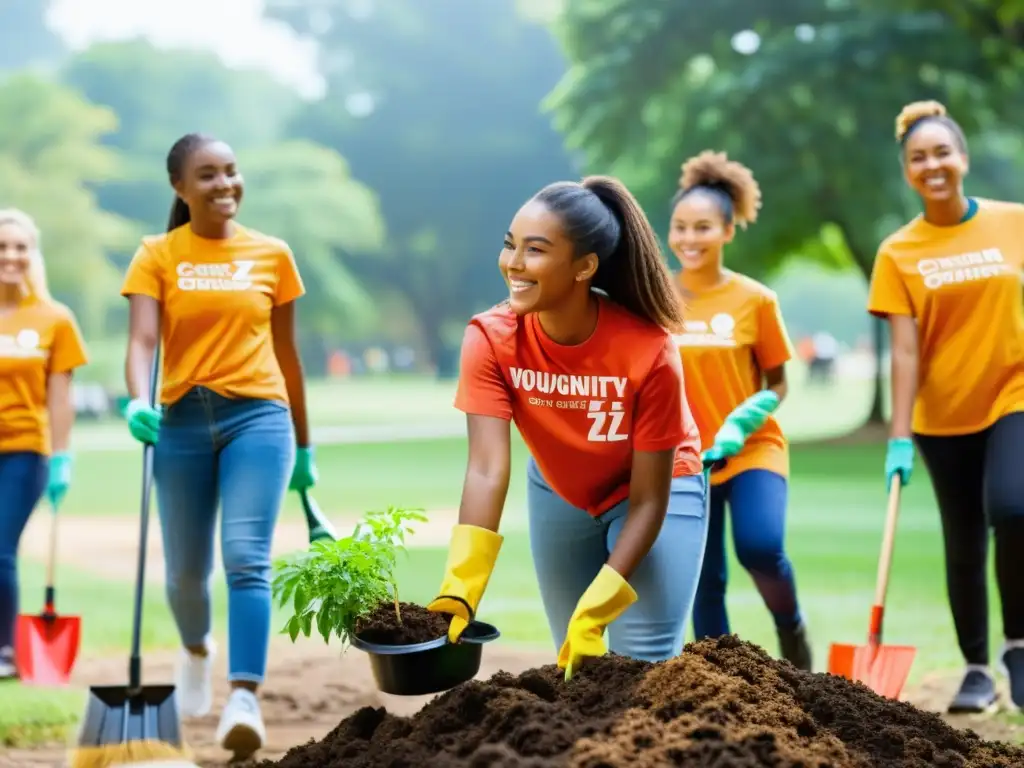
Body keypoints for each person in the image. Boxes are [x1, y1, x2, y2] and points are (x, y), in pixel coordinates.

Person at [425, 175, 708, 677]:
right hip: (558, 489)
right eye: (510, 245)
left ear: (585, 266)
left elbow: (648, 500)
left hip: (655, 491)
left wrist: (603, 600)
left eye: (536, 250)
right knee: (576, 665)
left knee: (636, 667)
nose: (513, 263)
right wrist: (460, 588)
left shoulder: (650, 351)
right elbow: (488, 469)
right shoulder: (490, 338)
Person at [120, 133, 317, 758]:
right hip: (178, 421)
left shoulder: (272, 254)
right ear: (180, 187)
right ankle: (197, 649)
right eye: (207, 175)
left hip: (258, 417)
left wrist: (305, 448)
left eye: (231, 171)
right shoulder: (157, 253)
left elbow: (288, 356)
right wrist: (136, 399)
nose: (224, 184)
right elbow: (143, 342)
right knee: (183, 574)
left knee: (245, 557)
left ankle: (244, 696)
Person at [867, 100, 1024, 714]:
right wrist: (899, 436)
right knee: (962, 541)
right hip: (941, 417)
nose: (931, 165)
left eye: (941, 153)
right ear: (907, 171)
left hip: (1013, 395)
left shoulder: (1014, 222)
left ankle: (1018, 643)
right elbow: (904, 354)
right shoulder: (897, 252)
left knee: (1014, 509)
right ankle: (977, 670)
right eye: (917, 159)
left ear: (961, 157)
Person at [667, 151, 812, 671]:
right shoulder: (655, 298)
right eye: (679, 227)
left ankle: (791, 628)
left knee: (760, 546)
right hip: (687, 460)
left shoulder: (755, 299)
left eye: (702, 227)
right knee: (702, 576)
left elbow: (778, 384)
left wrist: (741, 422)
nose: (689, 238)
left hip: (751, 449)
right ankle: (721, 676)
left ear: (727, 230)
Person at [0, 208, 88, 679]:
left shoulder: (55, 319)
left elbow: (60, 398)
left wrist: (62, 458)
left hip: (23, 451)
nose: (11, 256)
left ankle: (6, 651)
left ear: (32, 255)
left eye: (20, 247)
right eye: (2, 247)